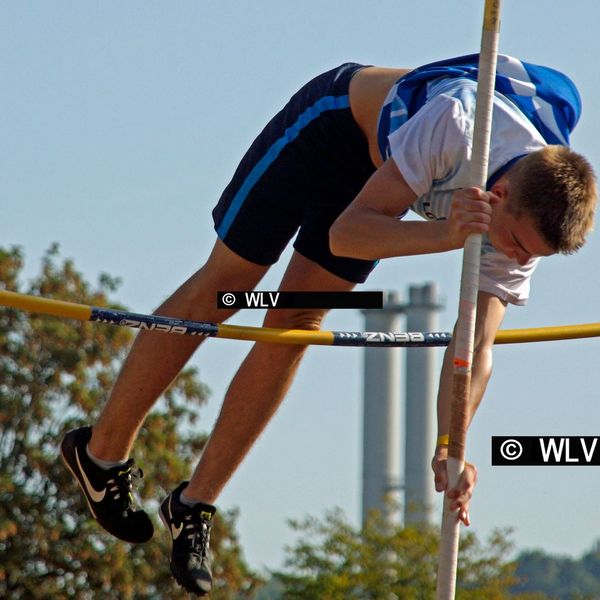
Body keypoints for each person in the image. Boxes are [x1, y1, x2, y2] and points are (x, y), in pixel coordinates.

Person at [60, 55, 596, 595]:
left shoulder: (520, 231)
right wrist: (446, 235)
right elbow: (348, 234)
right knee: (230, 286)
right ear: (496, 198)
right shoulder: (454, 128)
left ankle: (193, 505)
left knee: (298, 320)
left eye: (532, 257)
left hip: (380, 178)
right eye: (518, 246)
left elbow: (474, 344)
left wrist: (449, 443)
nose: (517, 259)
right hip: (329, 128)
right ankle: (100, 455)